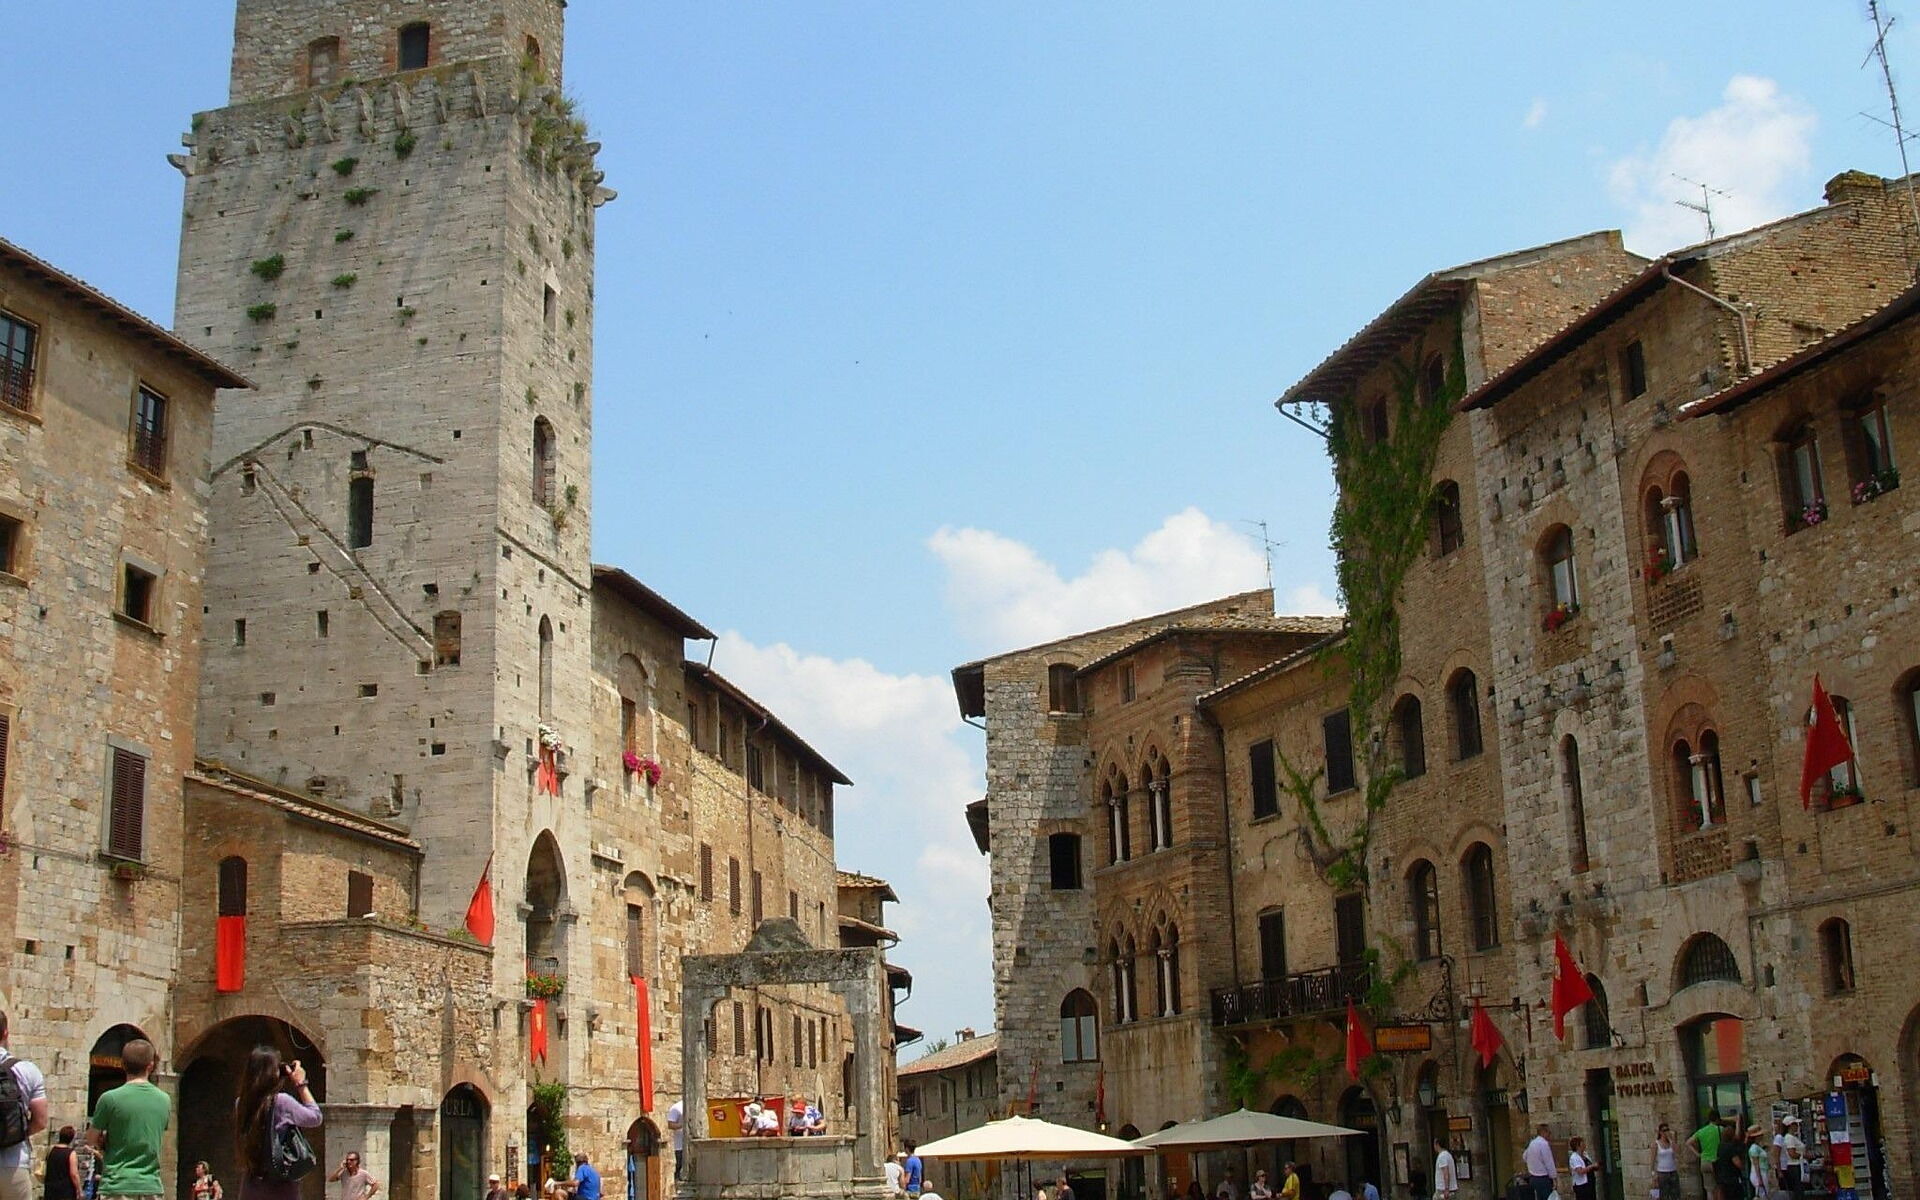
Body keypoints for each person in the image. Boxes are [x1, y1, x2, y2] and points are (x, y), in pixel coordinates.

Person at [234, 1046, 323, 1200]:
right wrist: (301, 1084)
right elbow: (315, 1117)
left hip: (250, 1186)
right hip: (280, 1187)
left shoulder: (240, 1103)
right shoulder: (282, 1102)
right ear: (272, 1073)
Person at [89, 1039, 170, 1200]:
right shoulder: (164, 1100)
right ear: (150, 1066)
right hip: (150, 1186)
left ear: (123, 1065)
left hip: (116, 1184)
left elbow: (91, 1139)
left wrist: (104, 1141)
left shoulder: (109, 1099)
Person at [0, 1012, 49, 1200]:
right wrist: (16, 1132)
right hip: (14, 1162)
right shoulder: (27, 1070)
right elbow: (41, 1121)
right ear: (6, 1033)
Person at [1686, 1115, 1724, 1200]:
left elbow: (1688, 1142)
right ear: (1717, 1120)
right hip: (1716, 1161)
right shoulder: (1720, 1129)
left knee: (1709, 1189)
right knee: (1718, 1187)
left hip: (1704, 1161)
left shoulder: (1701, 1131)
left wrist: (1698, 1154)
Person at [44, 1129, 80, 1200]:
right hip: (65, 1191)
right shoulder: (71, 1153)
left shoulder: (51, 1150)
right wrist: (79, 1189)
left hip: (50, 1189)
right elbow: (74, 1174)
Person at [1523, 1125, 1557, 1200]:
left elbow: (1524, 1157)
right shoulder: (1544, 1144)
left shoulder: (1532, 1143)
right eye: (1549, 1132)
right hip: (1543, 1178)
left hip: (1533, 1178)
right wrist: (1554, 1177)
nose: (1549, 1135)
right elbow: (1548, 1162)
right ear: (1544, 1132)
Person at [1778, 1117, 1806, 1197]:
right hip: (1794, 1166)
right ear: (1790, 1126)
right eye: (1795, 1124)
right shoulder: (1789, 1138)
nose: (1797, 1126)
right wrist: (1803, 1155)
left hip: (1797, 1165)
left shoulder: (1793, 1137)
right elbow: (1792, 1154)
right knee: (1797, 1189)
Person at [1653, 1122, 1680, 1200]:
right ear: (1660, 1132)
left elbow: (1677, 1152)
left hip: (1672, 1171)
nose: (1666, 1132)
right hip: (1662, 1172)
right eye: (1664, 1130)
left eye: (1667, 1130)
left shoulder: (1671, 1143)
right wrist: (1653, 1174)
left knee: (1675, 1195)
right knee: (1664, 1195)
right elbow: (1652, 1160)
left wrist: (1672, 1139)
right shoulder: (1656, 1144)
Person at [666, 1102, 685, 1180]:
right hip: (680, 1146)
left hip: (692, 1144)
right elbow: (670, 1124)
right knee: (680, 1167)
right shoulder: (676, 1107)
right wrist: (683, 1125)